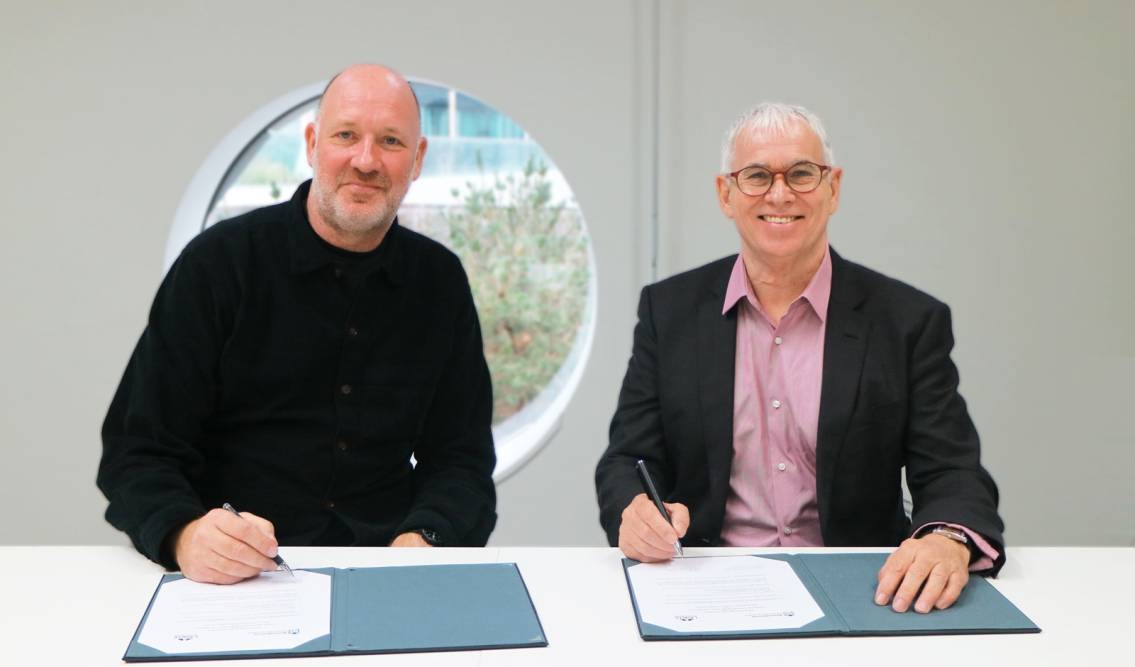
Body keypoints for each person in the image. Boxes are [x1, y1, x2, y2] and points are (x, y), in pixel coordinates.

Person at [595, 102, 1004, 614]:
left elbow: (951, 469)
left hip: (865, 586)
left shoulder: (907, 321)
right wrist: (633, 511)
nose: (780, 193)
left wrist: (947, 538)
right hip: (706, 584)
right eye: (757, 176)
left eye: (802, 174)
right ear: (726, 193)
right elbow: (627, 460)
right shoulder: (670, 311)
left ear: (833, 187)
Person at [98, 64, 496, 584]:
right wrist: (186, 534)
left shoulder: (439, 280)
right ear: (312, 144)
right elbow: (138, 451)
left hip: (387, 568)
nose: (366, 160)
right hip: (234, 573)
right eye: (346, 135)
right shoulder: (218, 264)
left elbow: (461, 460)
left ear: (417, 160)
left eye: (391, 141)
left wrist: (422, 541)